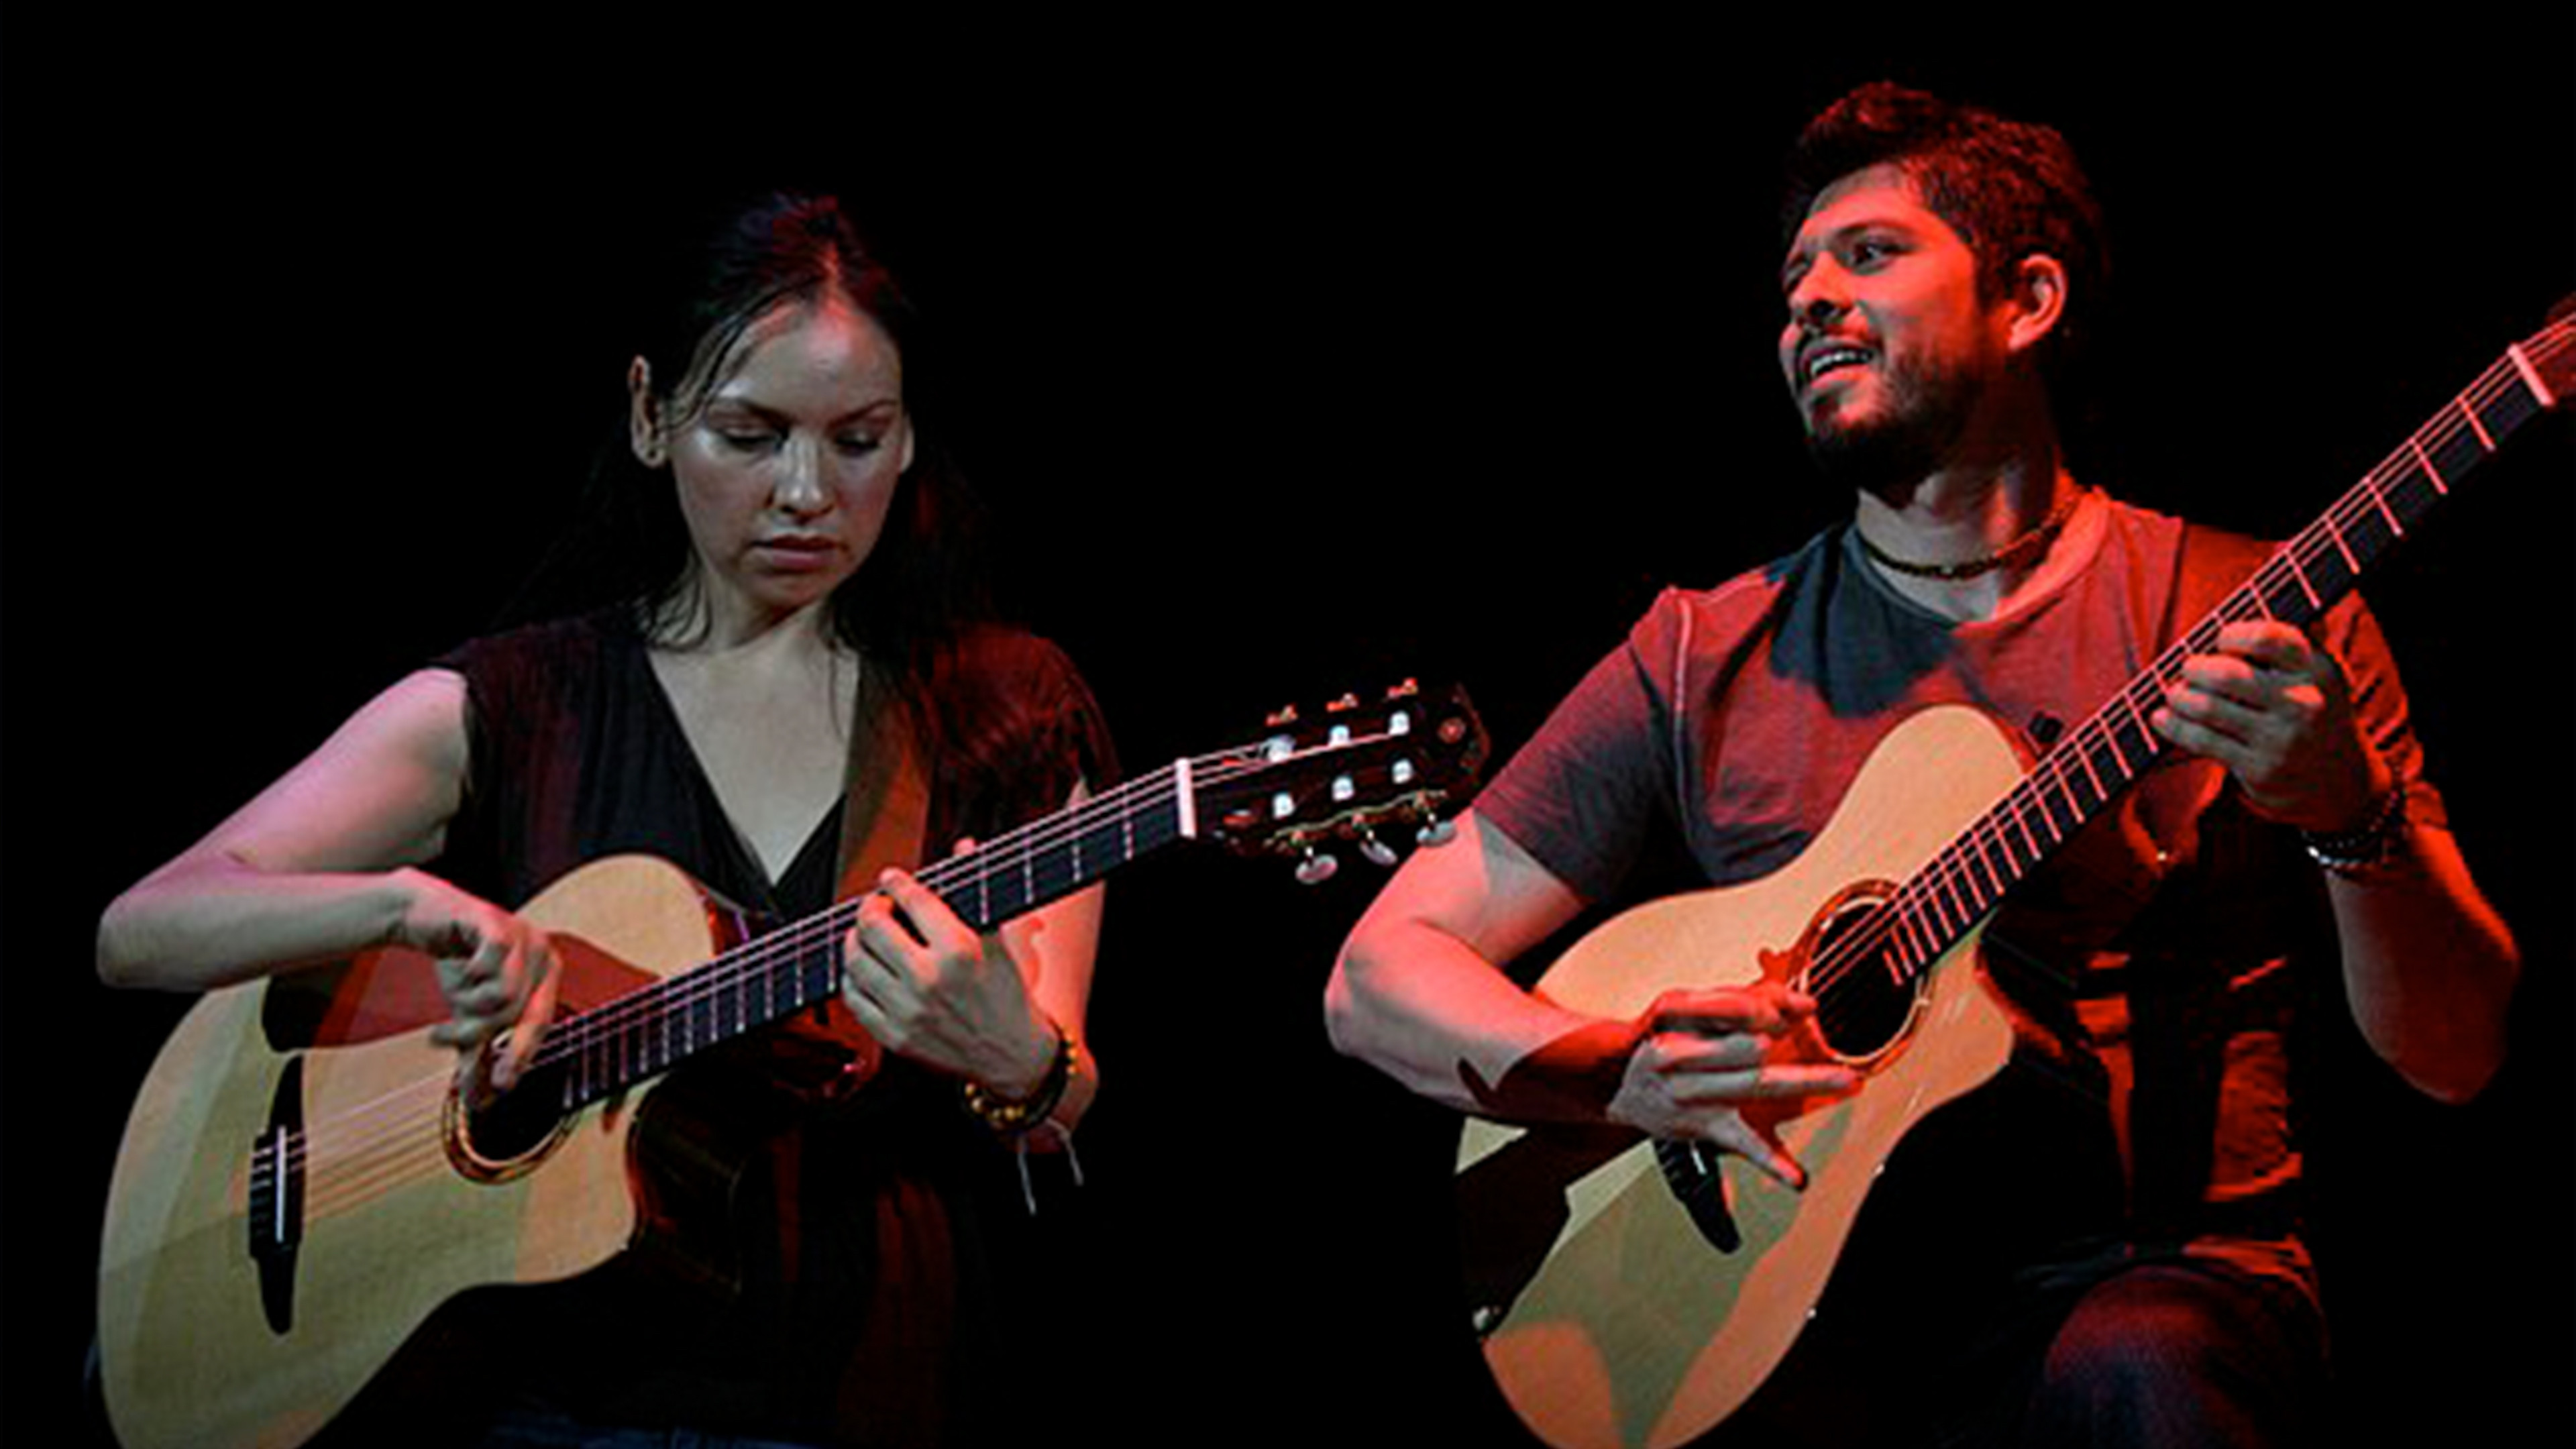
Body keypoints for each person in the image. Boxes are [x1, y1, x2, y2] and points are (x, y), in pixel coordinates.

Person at [1326, 83, 2519, 1446]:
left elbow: (2457, 1058)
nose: (1810, 303)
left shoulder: (2251, 616)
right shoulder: (1699, 652)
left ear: (2028, 303)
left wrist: (2346, 815)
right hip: (1798, 1312)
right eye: (1794, 280)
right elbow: (1378, 976)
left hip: (2142, 1292)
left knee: (2140, 1375)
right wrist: (1617, 1072)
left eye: (1871, 255)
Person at [96, 193, 1114, 1448]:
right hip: (543, 1409)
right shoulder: (519, 703)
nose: (807, 491)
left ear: (908, 444)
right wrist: (409, 907)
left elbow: (1055, 1093)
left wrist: (1018, 1057)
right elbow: (143, 928)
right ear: (650, 415)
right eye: (751, 434)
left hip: (875, 1392)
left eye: (859, 439)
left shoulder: (1008, 711)